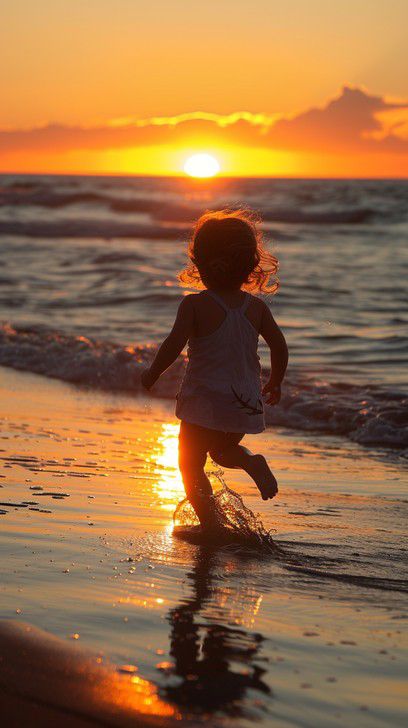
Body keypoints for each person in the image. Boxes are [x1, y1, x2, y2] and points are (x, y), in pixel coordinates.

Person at [141, 209, 288, 534]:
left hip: (204, 401)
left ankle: (210, 525)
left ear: (200, 263)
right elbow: (279, 345)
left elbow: (172, 344)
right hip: (243, 399)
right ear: (250, 266)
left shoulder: (195, 305)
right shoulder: (257, 308)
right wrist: (275, 381)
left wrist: (153, 373)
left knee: (189, 464)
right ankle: (250, 460)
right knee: (223, 451)